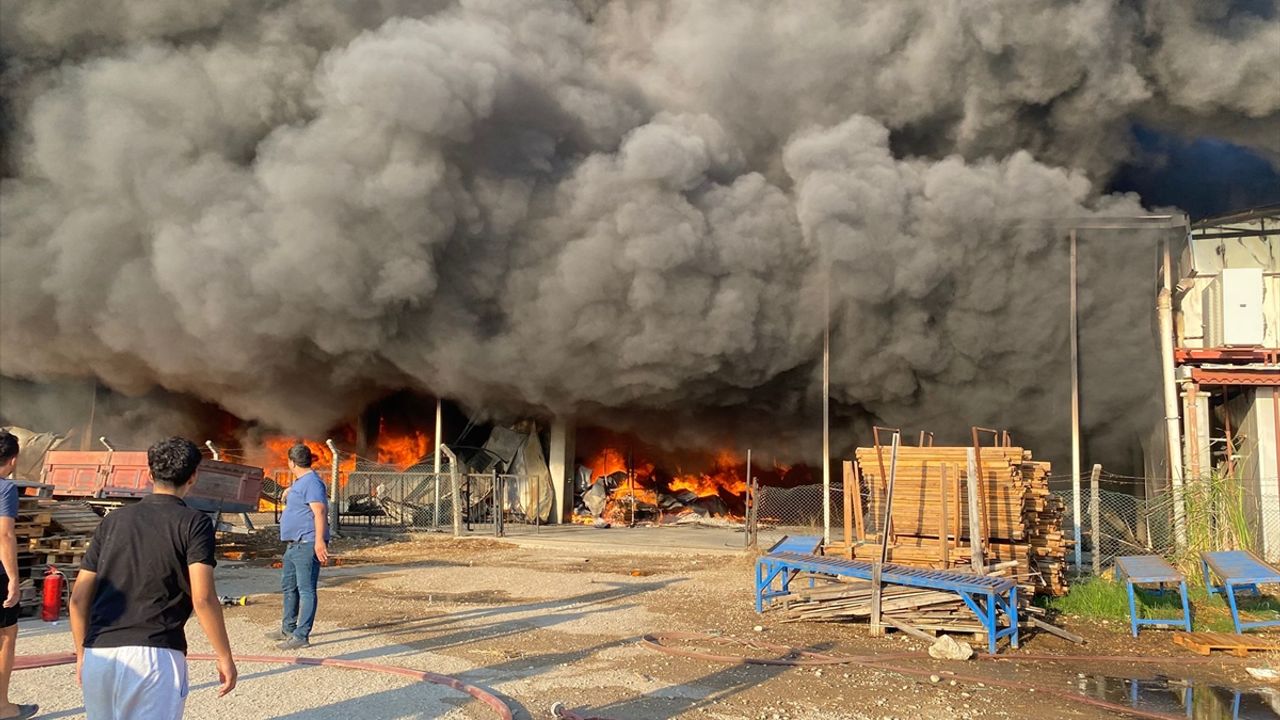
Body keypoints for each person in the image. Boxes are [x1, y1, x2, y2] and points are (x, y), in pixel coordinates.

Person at [70, 437, 237, 719]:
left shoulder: (112, 520)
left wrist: (82, 654)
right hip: (155, 656)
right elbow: (203, 598)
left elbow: (77, 599)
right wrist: (224, 657)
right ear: (193, 476)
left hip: (99, 653)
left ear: (150, 474)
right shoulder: (194, 523)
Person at [269, 443, 329, 650]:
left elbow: (320, 512)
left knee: (306, 590)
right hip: (294, 544)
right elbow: (303, 495)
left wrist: (319, 542)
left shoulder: (312, 483)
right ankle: (288, 628)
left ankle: (301, 635)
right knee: (289, 586)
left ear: (291, 463)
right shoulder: (303, 482)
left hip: (306, 543)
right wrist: (290, 490)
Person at [0, 432, 37, 720]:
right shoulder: (5, 489)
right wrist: (14, 579)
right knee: (5, 635)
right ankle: (2, 707)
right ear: (13, 460)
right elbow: (4, 534)